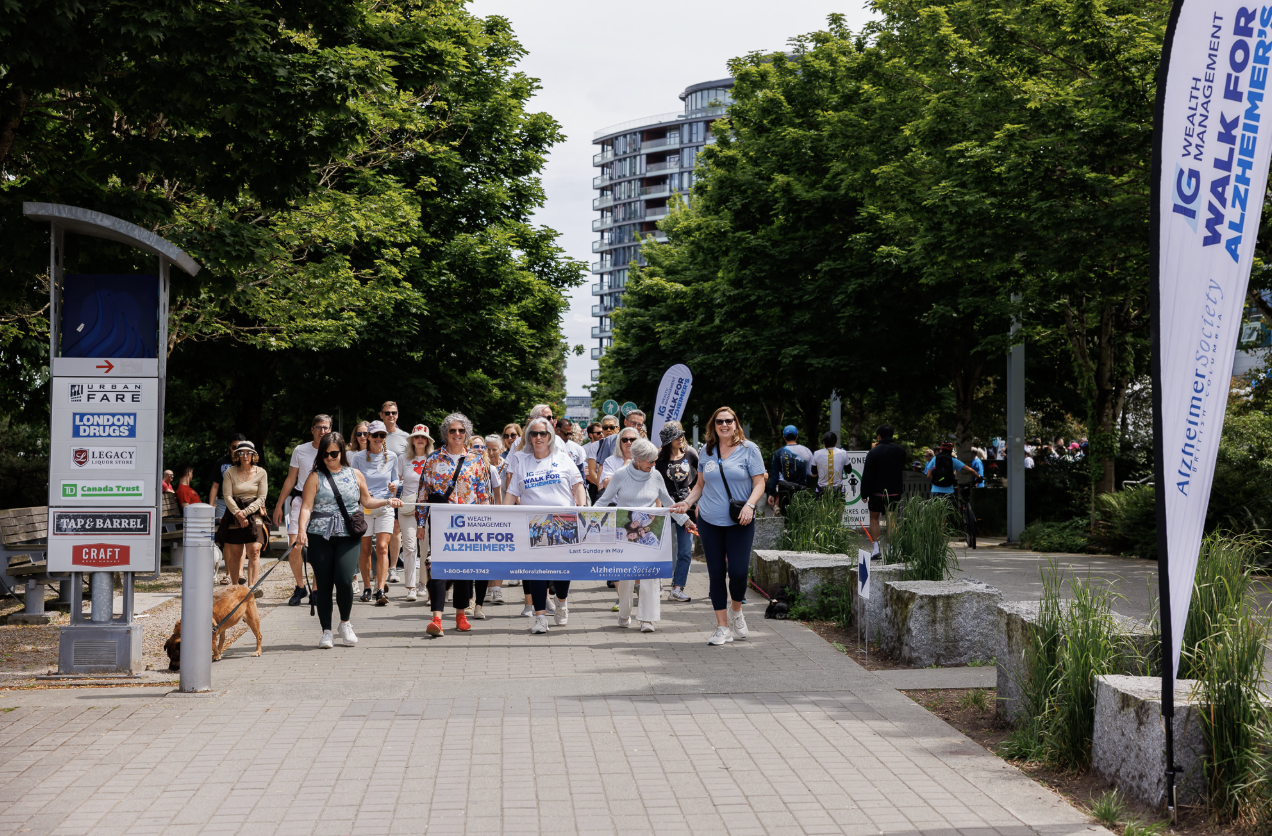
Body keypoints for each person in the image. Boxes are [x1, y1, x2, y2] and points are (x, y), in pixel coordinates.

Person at [670, 406, 766, 646]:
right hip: (710, 521)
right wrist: (687, 502)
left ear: (736, 424)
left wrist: (750, 506)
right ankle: (722, 627)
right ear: (713, 425)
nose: (724, 425)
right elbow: (700, 486)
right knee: (715, 574)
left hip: (739, 520)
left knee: (738, 572)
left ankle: (736, 611)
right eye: (719, 421)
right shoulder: (706, 451)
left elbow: (759, 483)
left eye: (729, 421)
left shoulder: (749, 449)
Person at [296, 431, 402, 649]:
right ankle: (326, 631)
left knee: (344, 579)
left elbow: (367, 500)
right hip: (320, 534)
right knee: (323, 583)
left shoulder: (355, 474)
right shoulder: (315, 476)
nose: (329, 457)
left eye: (334, 453)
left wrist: (387, 502)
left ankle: (345, 623)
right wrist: (301, 531)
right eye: (325, 454)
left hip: (348, 534)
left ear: (342, 452)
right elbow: (306, 507)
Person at [597, 438, 694, 632]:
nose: (653, 464)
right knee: (625, 577)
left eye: (654, 460)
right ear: (637, 459)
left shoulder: (655, 475)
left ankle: (647, 619)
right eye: (650, 461)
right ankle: (624, 613)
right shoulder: (621, 475)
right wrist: (590, 520)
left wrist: (687, 522)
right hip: (625, 530)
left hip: (651, 530)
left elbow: (668, 503)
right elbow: (604, 501)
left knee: (651, 576)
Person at [502, 416, 586, 634]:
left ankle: (561, 601)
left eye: (543, 434)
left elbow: (578, 486)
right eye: (534, 433)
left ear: (550, 437)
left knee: (562, 571)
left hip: (564, 520)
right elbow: (512, 493)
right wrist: (502, 516)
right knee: (535, 571)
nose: (538, 437)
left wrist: (581, 508)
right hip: (535, 523)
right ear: (529, 437)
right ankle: (540, 617)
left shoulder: (563, 458)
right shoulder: (523, 462)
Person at [420, 413, 495, 636]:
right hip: (443, 522)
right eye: (452, 430)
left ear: (467, 434)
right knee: (439, 567)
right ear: (445, 433)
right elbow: (423, 492)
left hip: (469, 522)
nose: (457, 434)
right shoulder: (433, 459)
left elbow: (483, 493)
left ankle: (461, 615)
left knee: (464, 569)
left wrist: (486, 521)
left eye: (461, 431)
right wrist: (421, 521)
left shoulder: (476, 460)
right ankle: (436, 619)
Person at [272, 414, 333, 607]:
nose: (322, 431)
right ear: (312, 429)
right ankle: (300, 587)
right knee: (294, 547)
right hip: (299, 501)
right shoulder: (300, 450)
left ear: (330, 430)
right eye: (318, 427)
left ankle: (316, 590)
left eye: (325, 428)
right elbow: (291, 479)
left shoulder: (334, 450)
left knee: (319, 548)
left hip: (323, 503)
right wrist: (279, 505)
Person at [351, 420, 399, 605]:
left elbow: (396, 479)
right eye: (375, 435)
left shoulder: (392, 456)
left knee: (382, 547)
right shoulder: (359, 458)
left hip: (385, 505)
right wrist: (363, 492)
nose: (379, 438)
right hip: (364, 507)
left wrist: (395, 485)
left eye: (382, 435)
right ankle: (367, 587)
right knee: (364, 550)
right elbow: (353, 479)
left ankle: (380, 588)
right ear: (368, 437)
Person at [218, 440, 269, 592]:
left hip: (254, 513)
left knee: (254, 549)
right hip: (234, 512)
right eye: (241, 453)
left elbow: (261, 497)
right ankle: (235, 587)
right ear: (237, 455)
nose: (245, 455)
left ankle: (252, 587)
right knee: (235, 552)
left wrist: (245, 513)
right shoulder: (230, 472)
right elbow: (227, 496)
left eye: (248, 453)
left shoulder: (261, 472)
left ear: (254, 455)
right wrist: (238, 514)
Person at [655, 421, 697, 603]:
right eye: (676, 436)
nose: (680, 438)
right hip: (665, 507)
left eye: (681, 435)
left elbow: (702, 477)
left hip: (684, 507)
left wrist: (693, 491)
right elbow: (653, 484)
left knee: (685, 550)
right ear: (668, 440)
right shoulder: (658, 459)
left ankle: (678, 588)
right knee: (658, 548)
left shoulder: (690, 454)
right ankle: (654, 585)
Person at [397, 424, 434, 603]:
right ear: (412, 440)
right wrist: (394, 487)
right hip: (407, 508)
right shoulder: (402, 459)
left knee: (425, 548)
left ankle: (423, 583)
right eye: (416, 436)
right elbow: (396, 482)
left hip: (427, 509)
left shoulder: (434, 459)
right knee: (409, 547)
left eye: (423, 437)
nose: (420, 439)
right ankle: (410, 587)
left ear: (427, 441)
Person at [859, 424, 906, 556]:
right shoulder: (900, 450)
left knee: (874, 519)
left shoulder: (873, 452)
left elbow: (867, 473)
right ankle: (891, 550)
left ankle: (876, 550)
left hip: (876, 491)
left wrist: (864, 493)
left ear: (878, 436)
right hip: (894, 490)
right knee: (892, 519)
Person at [379, 402, 410, 583]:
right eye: (387, 413)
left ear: (398, 415)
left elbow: (410, 460)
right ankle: (377, 568)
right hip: (376, 488)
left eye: (394, 413)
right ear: (381, 415)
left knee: (396, 526)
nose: (391, 415)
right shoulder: (374, 434)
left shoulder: (405, 437)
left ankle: (392, 568)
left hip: (398, 488)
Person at [766, 425, 813, 514]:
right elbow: (811, 473)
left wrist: (771, 493)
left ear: (784, 437)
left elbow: (774, 476)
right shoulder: (807, 451)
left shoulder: (779, 453)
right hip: (802, 489)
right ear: (797, 436)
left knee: (785, 518)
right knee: (800, 517)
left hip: (784, 490)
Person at [207, 433, 247, 530]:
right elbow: (215, 486)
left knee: (243, 529)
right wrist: (211, 507)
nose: (237, 451)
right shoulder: (221, 462)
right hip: (224, 502)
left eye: (240, 448)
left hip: (243, 500)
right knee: (224, 529)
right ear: (229, 446)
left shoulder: (247, 461)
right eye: (234, 447)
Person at [586, 416, 619, 500]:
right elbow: (592, 471)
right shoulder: (595, 445)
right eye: (605, 427)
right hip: (600, 488)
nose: (608, 429)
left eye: (611, 427)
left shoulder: (625, 444)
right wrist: (602, 486)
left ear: (618, 428)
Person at [809, 431, 849, 498]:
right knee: (838, 508)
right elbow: (849, 470)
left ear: (824, 443)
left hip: (821, 490)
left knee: (821, 508)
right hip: (838, 489)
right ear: (836, 442)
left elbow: (814, 474)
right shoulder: (843, 453)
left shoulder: (816, 453)